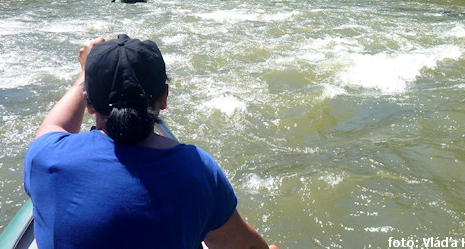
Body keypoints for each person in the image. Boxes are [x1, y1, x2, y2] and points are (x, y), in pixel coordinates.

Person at [24, 34, 278, 249]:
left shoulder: (47, 158)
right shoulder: (195, 169)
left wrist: (83, 75)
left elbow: (54, 125)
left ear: (88, 103)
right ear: (164, 97)